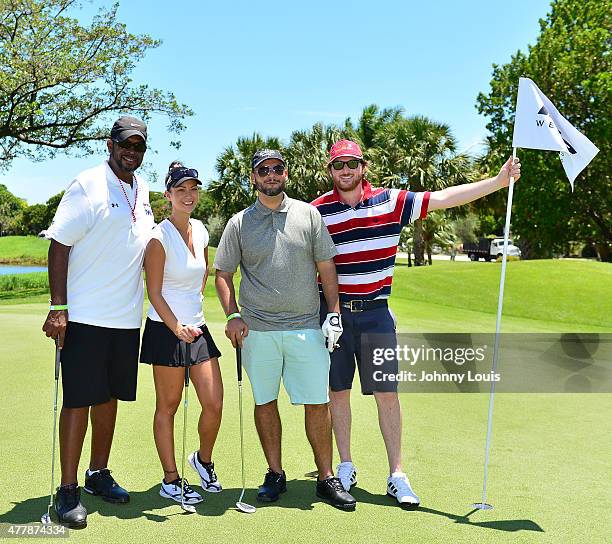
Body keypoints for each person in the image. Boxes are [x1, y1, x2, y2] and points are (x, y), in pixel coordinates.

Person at [311, 139, 521, 508]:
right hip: (334, 315)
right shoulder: (317, 211)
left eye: (352, 164)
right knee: (337, 393)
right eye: (338, 165)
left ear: (363, 167)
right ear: (330, 171)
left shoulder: (392, 201)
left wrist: (499, 181)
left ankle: (397, 474)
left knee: (386, 395)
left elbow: (443, 198)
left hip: (376, 314)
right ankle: (345, 466)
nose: (345, 171)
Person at [214, 149, 356, 511]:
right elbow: (223, 274)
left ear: (286, 174)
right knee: (265, 401)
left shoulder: (308, 215)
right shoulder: (239, 223)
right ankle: (275, 473)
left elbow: (326, 267)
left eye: (277, 169)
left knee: (317, 403)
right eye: (264, 170)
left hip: (306, 327)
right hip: (258, 330)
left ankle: (326, 477)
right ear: (254, 177)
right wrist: (232, 315)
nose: (272, 175)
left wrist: (334, 313)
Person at [41, 116, 155, 527]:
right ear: (110, 144)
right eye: (126, 144)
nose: (132, 152)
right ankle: (67, 488)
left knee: (109, 399)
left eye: (139, 146)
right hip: (85, 316)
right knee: (78, 401)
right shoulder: (87, 183)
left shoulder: (141, 190)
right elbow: (59, 243)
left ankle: (97, 474)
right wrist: (59, 308)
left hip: (126, 320)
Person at [140, 162, 223, 506]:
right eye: (181, 190)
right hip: (166, 330)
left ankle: (202, 460)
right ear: (168, 195)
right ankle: (171, 480)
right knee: (169, 406)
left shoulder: (201, 230)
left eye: (193, 189)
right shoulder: (158, 238)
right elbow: (154, 293)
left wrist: (193, 315)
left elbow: (202, 272)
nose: (188, 196)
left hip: (198, 328)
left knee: (214, 403)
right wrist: (177, 326)